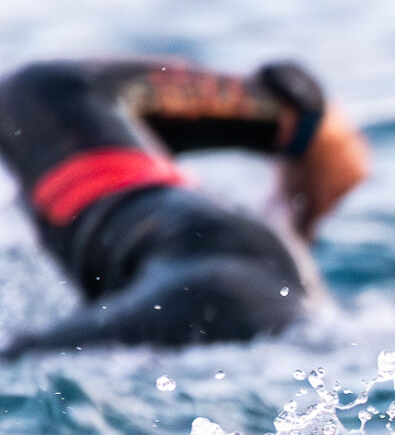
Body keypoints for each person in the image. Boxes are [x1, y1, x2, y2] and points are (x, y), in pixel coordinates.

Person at [0, 56, 369, 356]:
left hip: (203, 287)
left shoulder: (42, 95)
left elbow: (322, 127)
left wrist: (293, 218)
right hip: (254, 283)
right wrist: (291, 232)